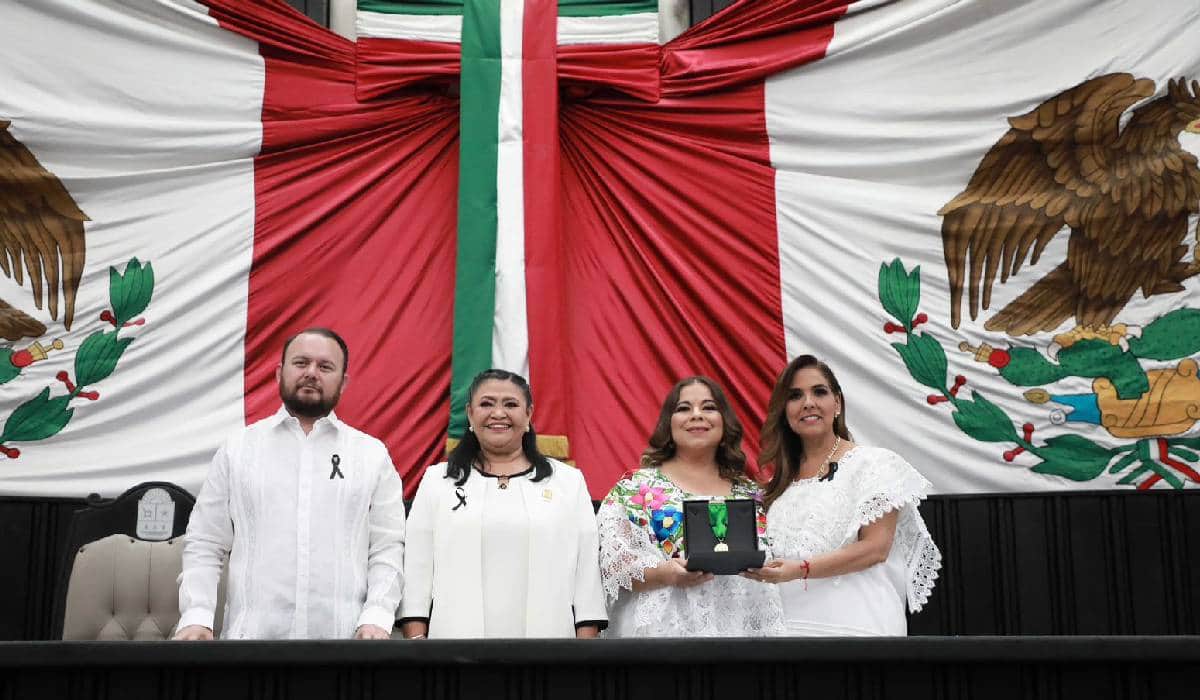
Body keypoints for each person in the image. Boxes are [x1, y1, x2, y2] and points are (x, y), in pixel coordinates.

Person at [174, 328, 405, 640]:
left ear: (344, 382)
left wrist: (377, 615)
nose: (311, 373)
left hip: (345, 645)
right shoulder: (238, 449)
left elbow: (387, 548)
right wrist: (197, 616)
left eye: (325, 367)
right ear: (279, 373)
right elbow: (205, 542)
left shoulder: (371, 454)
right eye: (301, 363)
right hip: (250, 645)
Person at [743, 355, 941, 636]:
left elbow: (875, 549)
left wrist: (800, 569)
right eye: (795, 395)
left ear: (837, 403)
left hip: (856, 628)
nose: (808, 402)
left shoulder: (874, 464)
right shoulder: (777, 487)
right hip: (786, 631)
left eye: (819, 392)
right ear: (785, 412)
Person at [400, 369, 606, 638]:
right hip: (453, 652)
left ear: (529, 415)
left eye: (511, 404)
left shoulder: (568, 482)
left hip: (552, 650)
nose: (498, 413)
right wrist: (419, 648)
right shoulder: (436, 481)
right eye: (486, 404)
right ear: (470, 414)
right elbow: (416, 571)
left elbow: (587, 576)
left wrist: (582, 657)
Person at [598, 376, 784, 637]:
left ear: (724, 422)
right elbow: (614, 565)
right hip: (663, 638)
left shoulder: (751, 493)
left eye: (708, 407)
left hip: (741, 634)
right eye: (683, 408)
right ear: (669, 424)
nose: (696, 415)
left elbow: (775, 557)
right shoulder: (635, 488)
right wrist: (664, 574)